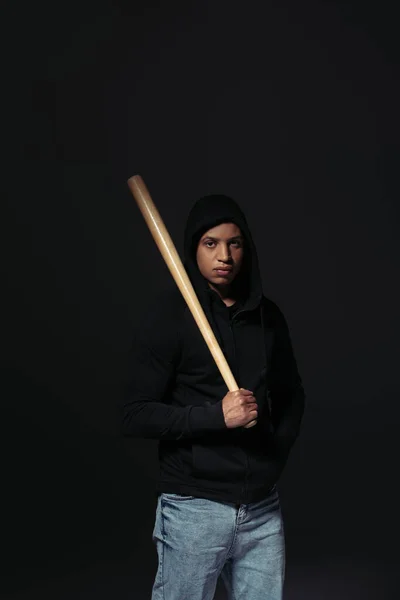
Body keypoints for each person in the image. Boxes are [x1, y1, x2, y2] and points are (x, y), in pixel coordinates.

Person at [123, 194, 306, 600]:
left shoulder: (267, 317)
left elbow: (292, 395)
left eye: (234, 243)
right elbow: (134, 414)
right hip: (194, 507)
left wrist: (273, 457)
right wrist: (215, 417)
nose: (224, 255)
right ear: (194, 248)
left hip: (262, 510)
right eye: (211, 243)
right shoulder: (169, 316)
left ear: (246, 248)